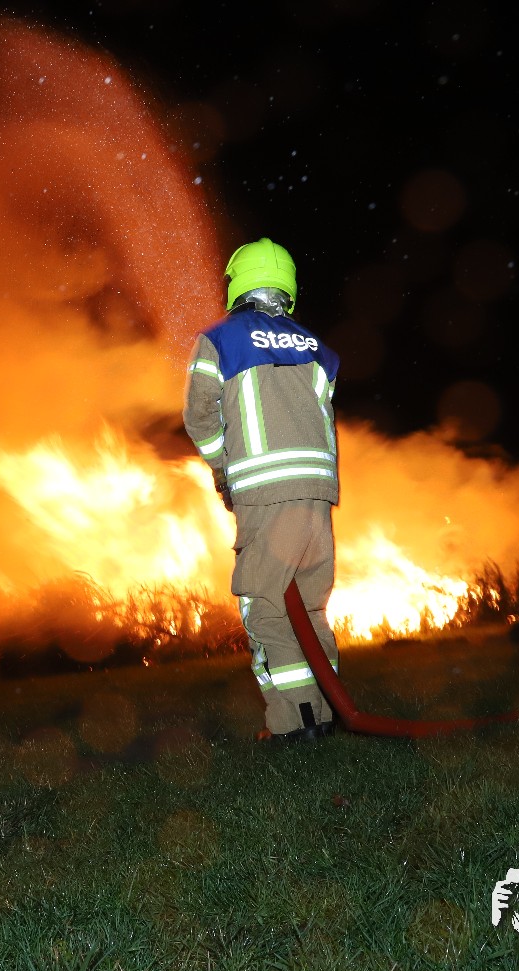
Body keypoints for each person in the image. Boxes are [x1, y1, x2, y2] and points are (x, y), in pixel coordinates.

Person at [183, 238, 342, 743]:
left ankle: (297, 723)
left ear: (237, 284)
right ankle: (328, 712)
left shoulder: (219, 340)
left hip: (263, 491)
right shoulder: (317, 348)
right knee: (310, 608)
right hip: (318, 491)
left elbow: (199, 416)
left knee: (265, 605)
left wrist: (222, 471)